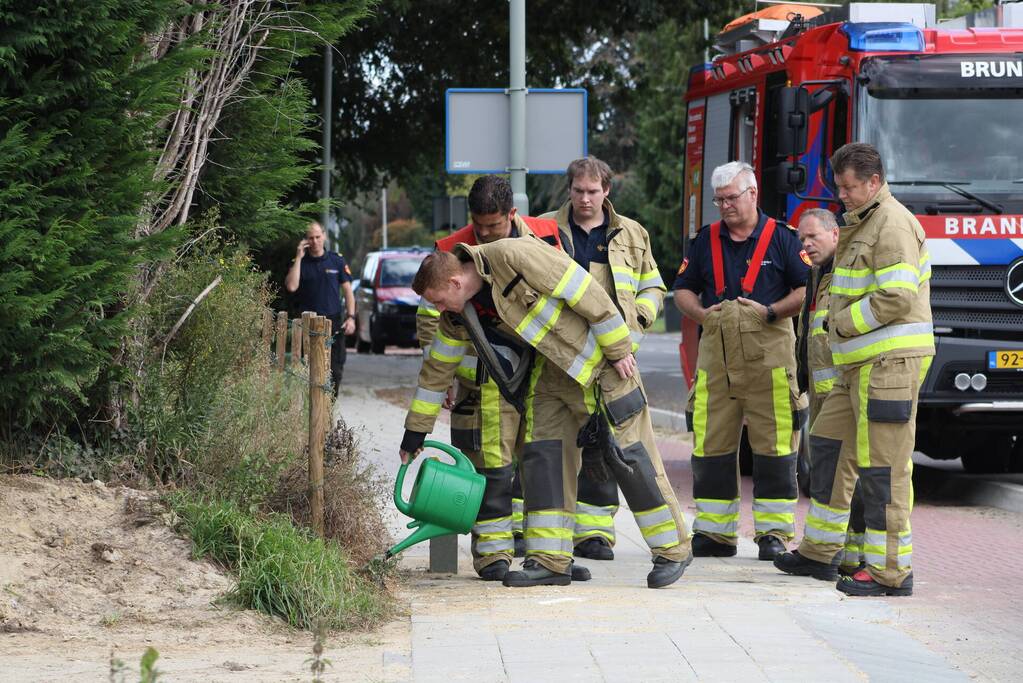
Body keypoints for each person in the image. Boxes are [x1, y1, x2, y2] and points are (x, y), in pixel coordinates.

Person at [401, 238, 691, 589]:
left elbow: (586, 292)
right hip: (547, 378)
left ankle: (672, 549)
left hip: (599, 369)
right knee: (544, 460)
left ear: (455, 283)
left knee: (630, 457)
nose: (437, 308)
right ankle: (549, 561)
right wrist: (415, 433)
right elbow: (436, 370)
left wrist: (617, 349)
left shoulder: (512, 255)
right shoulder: (457, 317)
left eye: (437, 299)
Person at [774, 143, 934, 597]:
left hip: (889, 365)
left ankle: (890, 574)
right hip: (857, 366)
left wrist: (838, 324)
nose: (841, 195)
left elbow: (897, 297)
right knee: (825, 445)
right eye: (839, 186)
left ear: (874, 182)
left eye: (848, 187)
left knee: (883, 468)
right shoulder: (861, 222)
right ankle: (820, 551)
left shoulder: (893, 223)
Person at [413, 175, 564, 582]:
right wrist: (444, 378)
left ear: (512, 216)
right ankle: (493, 555)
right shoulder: (449, 251)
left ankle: (548, 558)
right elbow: (434, 321)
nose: (483, 236)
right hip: (480, 379)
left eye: (493, 228)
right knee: (490, 466)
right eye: (478, 227)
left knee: (542, 462)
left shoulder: (546, 238)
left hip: (540, 372)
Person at [673, 161, 809, 561]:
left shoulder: (783, 238)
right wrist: (702, 315)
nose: (725, 206)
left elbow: (807, 289)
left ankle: (773, 534)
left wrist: (770, 311)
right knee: (712, 446)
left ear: (752, 193)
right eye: (719, 200)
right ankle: (715, 534)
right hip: (716, 361)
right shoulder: (704, 241)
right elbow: (682, 291)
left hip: (770, 361)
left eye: (732, 198)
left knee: (775, 448)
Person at [539, 156, 668, 562]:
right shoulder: (544, 230)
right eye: (578, 191)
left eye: (593, 191)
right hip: (560, 355)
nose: (585, 199)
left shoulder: (631, 233)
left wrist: (640, 321)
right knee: (555, 446)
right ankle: (548, 539)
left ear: (607, 191)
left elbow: (653, 284)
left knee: (605, 445)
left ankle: (594, 532)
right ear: (569, 190)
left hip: (615, 358)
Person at [795, 208, 865, 576]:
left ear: (835, 234)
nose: (806, 244)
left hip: (844, 393)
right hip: (823, 398)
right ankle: (830, 554)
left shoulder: (845, 274)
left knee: (846, 475)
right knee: (828, 474)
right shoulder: (816, 273)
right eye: (802, 239)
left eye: (813, 237)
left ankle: (838, 555)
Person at [284, 221, 355, 395]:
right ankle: (312, 412)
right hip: (309, 324)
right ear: (306, 240)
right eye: (311, 238)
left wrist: (351, 317)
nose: (315, 241)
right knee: (310, 371)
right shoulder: (300, 262)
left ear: (324, 236)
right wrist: (299, 257)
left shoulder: (336, 260)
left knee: (335, 370)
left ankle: (329, 410)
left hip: (334, 323)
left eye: (317, 237)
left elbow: (348, 291)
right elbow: (291, 286)